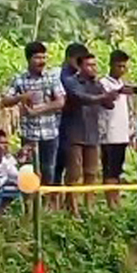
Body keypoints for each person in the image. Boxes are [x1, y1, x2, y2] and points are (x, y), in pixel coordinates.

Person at [1, 41, 64, 210]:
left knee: (48, 169)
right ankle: (29, 207)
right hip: (29, 133)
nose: (42, 60)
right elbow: (5, 101)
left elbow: (60, 101)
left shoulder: (51, 78)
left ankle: (46, 207)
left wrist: (40, 110)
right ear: (29, 59)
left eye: (44, 57)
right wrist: (21, 97)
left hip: (50, 132)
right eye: (37, 57)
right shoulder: (19, 79)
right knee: (28, 171)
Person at [64, 52, 118, 217]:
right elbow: (81, 97)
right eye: (89, 65)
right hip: (75, 133)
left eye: (95, 65)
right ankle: (73, 209)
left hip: (92, 134)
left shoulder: (97, 84)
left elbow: (108, 105)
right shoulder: (72, 82)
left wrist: (113, 95)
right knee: (74, 173)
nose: (93, 68)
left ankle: (90, 206)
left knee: (91, 172)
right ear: (80, 67)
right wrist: (103, 96)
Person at [99, 49, 135, 208]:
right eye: (119, 66)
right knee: (109, 169)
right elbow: (107, 102)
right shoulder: (104, 83)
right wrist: (119, 92)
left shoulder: (122, 84)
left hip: (122, 133)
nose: (122, 70)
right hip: (109, 133)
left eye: (124, 66)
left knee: (117, 169)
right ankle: (110, 202)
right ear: (111, 65)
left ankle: (116, 199)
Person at [56, 43, 89, 188]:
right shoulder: (61, 76)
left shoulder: (80, 76)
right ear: (70, 58)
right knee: (58, 166)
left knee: (68, 166)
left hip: (74, 127)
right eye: (79, 60)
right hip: (61, 127)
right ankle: (54, 201)